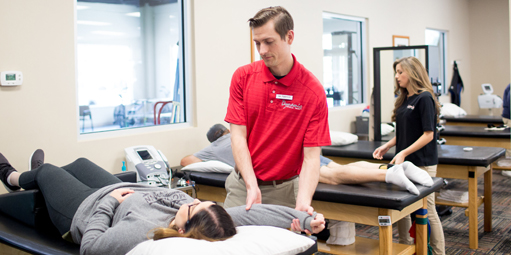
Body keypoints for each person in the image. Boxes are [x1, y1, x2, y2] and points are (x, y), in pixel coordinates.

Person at [0, 150, 325, 255]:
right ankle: (33, 175)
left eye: (192, 206)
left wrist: (109, 202)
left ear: (183, 227)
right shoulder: (211, 220)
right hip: (128, 191)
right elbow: (257, 214)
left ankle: (14, 176)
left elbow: (91, 246)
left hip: (85, 207)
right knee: (81, 162)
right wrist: (305, 219)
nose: (193, 201)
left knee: (50, 173)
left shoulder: (141, 234)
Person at [224, 6, 331, 214]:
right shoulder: (242, 77)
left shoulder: (312, 91)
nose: (262, 50)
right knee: (226, 241)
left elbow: (311, 157)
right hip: (243, 185)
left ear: (289, 37)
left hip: (286, 190)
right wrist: (251, 185)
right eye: (257, 43)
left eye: (269, 42)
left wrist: (304, 201)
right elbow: (237, 136)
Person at [181, 124, 434, 195]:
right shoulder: (241, 135)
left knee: (334, 178)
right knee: (340, 168)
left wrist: (210, 151)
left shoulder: (215, 146)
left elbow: (185, 161)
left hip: (291, 165)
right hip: (299, 154)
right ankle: (392, 167)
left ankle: (389, 174)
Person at [372, 56, 445, 255]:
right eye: (396, 72)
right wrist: (388, 146)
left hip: (422, 163)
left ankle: (439, 253)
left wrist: (403, 152)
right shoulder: (404, 99)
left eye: (400, 72)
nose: (397, 77)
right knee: (401, 208)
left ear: (412, 73)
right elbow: (403, 131)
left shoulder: (425, 98)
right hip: (403, 162)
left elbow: (428, 134)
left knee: (428, 210)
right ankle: (403, 246)